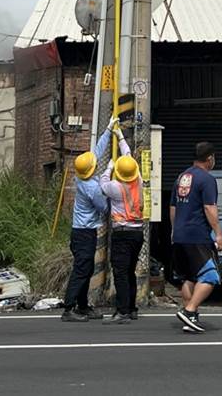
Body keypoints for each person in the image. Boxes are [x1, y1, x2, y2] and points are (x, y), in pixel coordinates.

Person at [62, 117, 118, 322]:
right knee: (82, 270)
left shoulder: (82, 175)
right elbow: (103, 207)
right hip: (85, 232)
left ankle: (83, 306)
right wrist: (112, 189)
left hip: (81, 231)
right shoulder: (92, 188)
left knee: (85, 268)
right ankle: (69, 308)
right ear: (93, 170)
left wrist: (108, 129)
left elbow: (97, 152)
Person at [170, 141, 222, 333]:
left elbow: (173, 207)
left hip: (179, 236)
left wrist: (174, 230)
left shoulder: (181, 177)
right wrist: (218, 234)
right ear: (210, 159)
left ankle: (190, 318)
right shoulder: (207, 179)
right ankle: (190, 310)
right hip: (197, 236)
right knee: (211, 275)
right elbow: (209, 208)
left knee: (189, 277)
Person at [100, 129, 144, 324]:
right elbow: (128, 156)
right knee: (130, 271)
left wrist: (109, 168)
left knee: (120, 272)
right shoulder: (138, 180)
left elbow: (102, 184)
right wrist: (120, 137)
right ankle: (132, 308)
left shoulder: (115, 188)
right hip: (138, 233)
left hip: (122, 233)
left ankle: (122, 311)